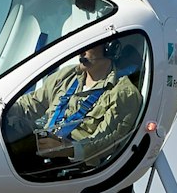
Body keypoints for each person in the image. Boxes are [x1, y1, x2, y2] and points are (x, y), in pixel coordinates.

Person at [13, 37, 142, 168]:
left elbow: (107, 142)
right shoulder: (68, 75)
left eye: (88, 45)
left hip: (76, 168)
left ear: (109, 48)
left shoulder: (123, 93)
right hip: (44, 152)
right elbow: (31, 103)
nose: (81, 51)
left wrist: (66, 149)